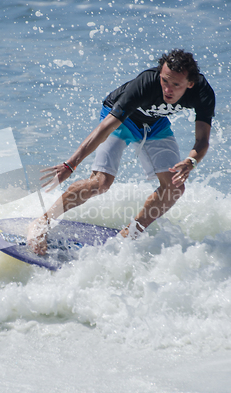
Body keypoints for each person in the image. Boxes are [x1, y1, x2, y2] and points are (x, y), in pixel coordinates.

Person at [28, 49, 215, 255]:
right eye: (164, 81)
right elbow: (105, 128)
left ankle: (129, 235)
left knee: (175, 187)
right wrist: (71, 164)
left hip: (155, 125)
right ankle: (42, 222)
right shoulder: (145, 84)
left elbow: (202, 139)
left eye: (175, 85)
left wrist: (191, 161)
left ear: (190, 83)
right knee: (101, 183)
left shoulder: (203, 93)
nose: (167, 89)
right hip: (120, 120)